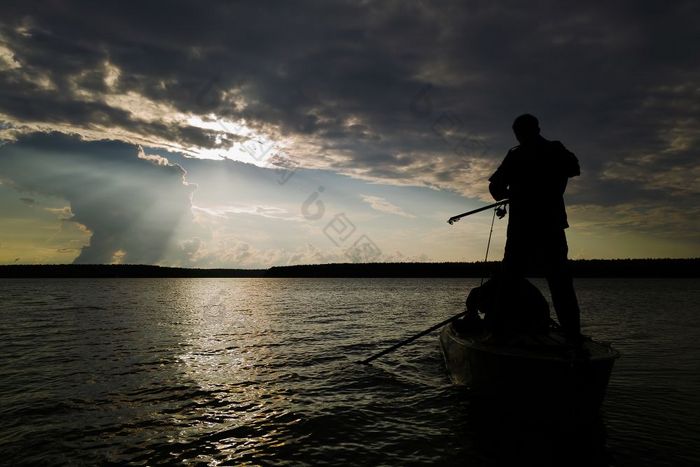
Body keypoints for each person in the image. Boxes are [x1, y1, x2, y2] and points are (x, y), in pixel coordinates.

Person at [488, 114, 582, 343]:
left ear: (530, 131)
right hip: (546, 227)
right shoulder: (552, 149)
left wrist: (513, 193)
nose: (519, 137)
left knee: (512, 280)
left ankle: (498, 335)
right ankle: (572, 337)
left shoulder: (519, 154)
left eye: (520, 133)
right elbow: (574, 168)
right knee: (559, 283)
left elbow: (496, 188)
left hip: (527, 228)